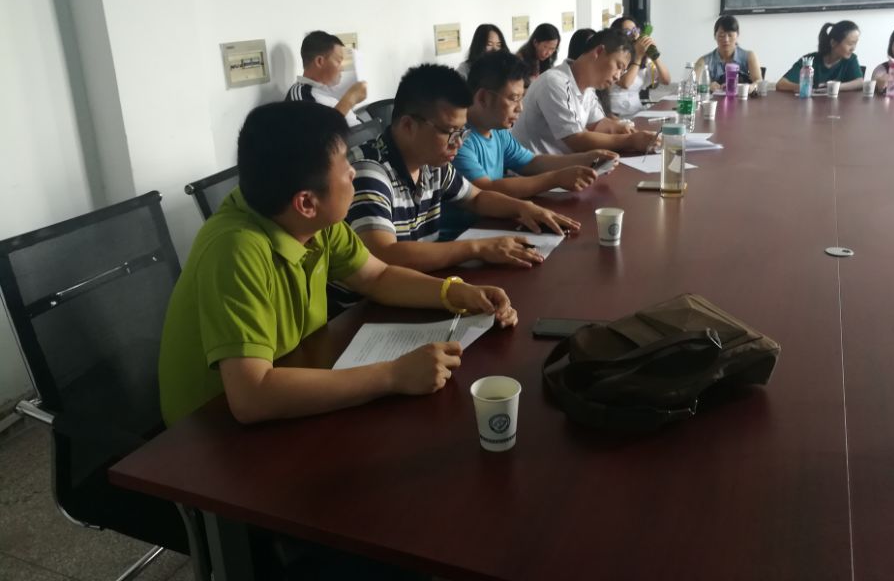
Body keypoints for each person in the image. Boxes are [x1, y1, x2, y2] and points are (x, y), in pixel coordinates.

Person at [158, 101, 518, 429]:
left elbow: (377, 276)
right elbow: (252, 395)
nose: (353, 173)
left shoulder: (308, 219)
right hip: (210, 437)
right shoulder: (236, 249)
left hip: (293, 383)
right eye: (345, 166)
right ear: (306, 202)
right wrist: (393, 375)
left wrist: (456, 293)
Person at [341, 63, 579, 279]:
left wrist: (524, 208)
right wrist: (477, 248)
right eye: (449, 132)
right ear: (408, 125)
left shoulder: (432, 162)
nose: (458, 142)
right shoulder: (368, 171)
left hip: (420, 280)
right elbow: (385, 254)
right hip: (369, 303)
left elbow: (476, 197)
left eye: (462, 131)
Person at [441, 51, 619, 238]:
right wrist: (555, 178)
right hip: (463, 234)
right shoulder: (458, 140)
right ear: (483, 98)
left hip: (493, 223)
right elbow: (486, 190)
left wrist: (585, 159)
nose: (520, 108)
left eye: (521, 98)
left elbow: (531, 162)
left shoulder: (498, 131)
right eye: (513, 98)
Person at [511, 29, 659, 155]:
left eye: (622, 71)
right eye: (619, 66)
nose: (618, 76)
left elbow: (598, 124)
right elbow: (576, 140)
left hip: (561, 168)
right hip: (533, 172)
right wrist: (630, 140)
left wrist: (623, 129)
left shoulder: (588, 87)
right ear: (599, 52)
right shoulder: (555, 82)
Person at [284, 31, 368, 126]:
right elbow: (316, 132)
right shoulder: (300, 95)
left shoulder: (332, 92)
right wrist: (349, 100)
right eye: (338, 61)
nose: (342, 68)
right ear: (320, 61)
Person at [600, 15, 672, 118]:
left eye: (635, 30)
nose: (634, 35)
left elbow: (666, 81)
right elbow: (625, 83)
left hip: (637, 112)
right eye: (627, 32)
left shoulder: (644, 59)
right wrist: (638, 57)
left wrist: (654, 55)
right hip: (615, 115)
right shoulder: (613, 56)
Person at [776, 21, 864, 92]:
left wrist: (834, 87)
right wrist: (803, 87)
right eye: (850, 44)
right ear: (833, 43)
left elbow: (860, 82)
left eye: (855, 43)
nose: (853, 48)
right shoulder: (809, 60)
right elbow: (781, 84)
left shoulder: (851, 59)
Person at [695, 15, 763, 93]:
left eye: (730, 35)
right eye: (721, 35)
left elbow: (758, 81)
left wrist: (751, 87)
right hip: (716, 100)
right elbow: (691, 83)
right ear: (715, 36)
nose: (726, 40)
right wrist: (707, 86)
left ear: (737, 35)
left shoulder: (749, 56)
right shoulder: (704, 61)